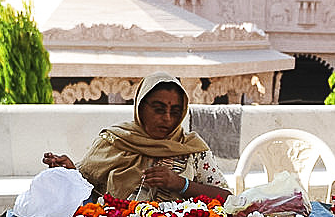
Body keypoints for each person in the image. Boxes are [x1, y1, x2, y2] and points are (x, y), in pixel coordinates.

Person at [42, 71, 231, 202]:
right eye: (158, 109)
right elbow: (87, 190)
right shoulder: (113, 141)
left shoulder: (192, 149)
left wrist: (181, 184)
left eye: (175, 111)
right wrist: (70, 172)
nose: (167, 118)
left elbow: (227, 198)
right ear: (140, 107)